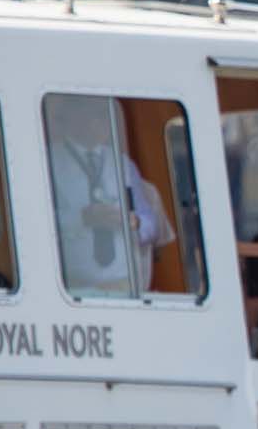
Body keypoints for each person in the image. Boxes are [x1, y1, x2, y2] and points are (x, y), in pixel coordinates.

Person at [45, 95, 174, 296]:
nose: (102, 121)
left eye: (105, 115)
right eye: (95, 115)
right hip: (70, 290)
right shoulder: (47, 161)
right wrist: (82, 218)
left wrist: (133, 222)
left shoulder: (123, 164)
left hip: (122, 288)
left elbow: (150, 225)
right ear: (72, 118)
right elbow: (36, 225)